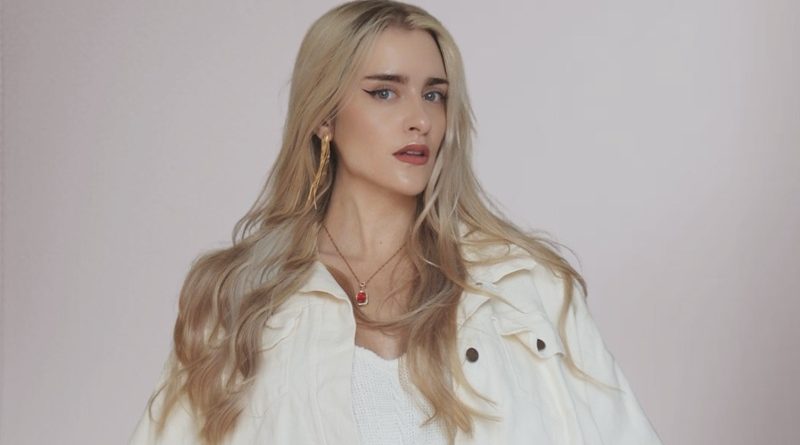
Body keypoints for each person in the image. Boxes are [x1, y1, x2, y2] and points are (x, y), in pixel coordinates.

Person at [130, 1, 662, 444]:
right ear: (323, 116)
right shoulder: (238, 299)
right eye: (384, 92)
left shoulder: (525, 286)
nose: (420, 119)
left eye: (434, 94)